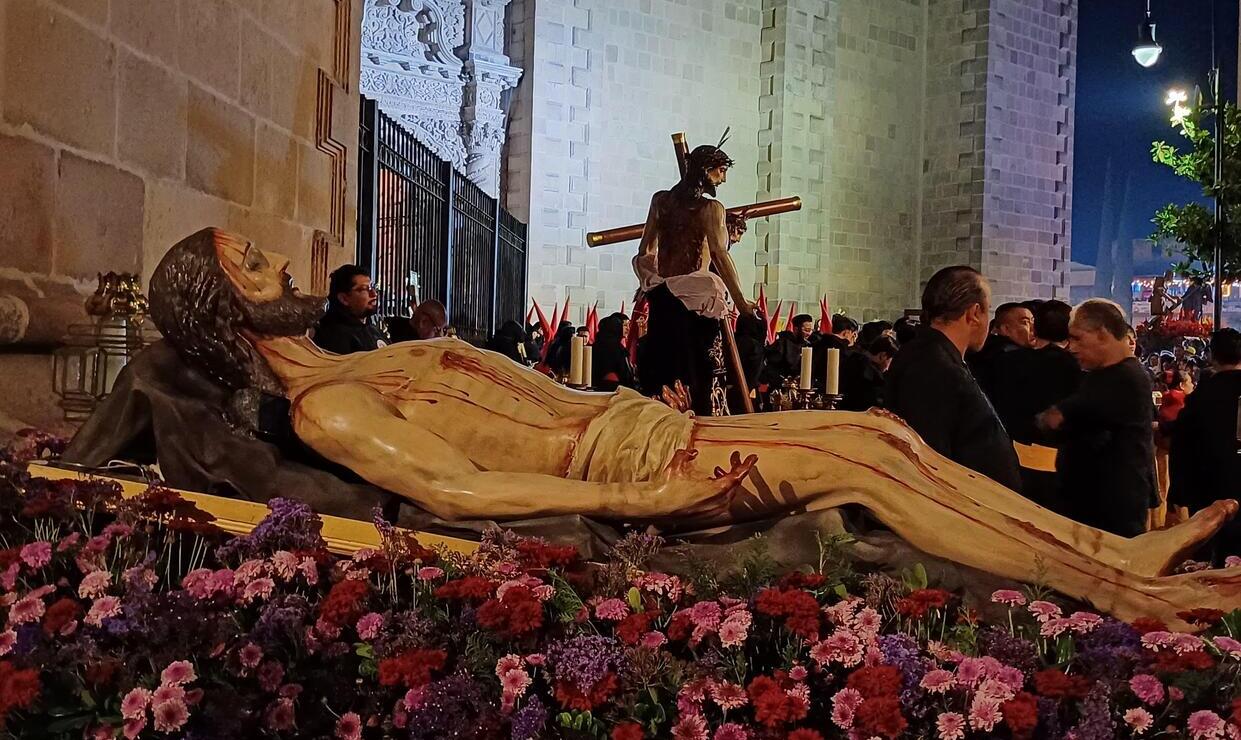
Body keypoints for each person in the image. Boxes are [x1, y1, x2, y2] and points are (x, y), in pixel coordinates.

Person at [141, 228, 1241, 627]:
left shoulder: (360, 355)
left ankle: (1111, 558)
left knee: (885, 446)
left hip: (629, 426)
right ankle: (1115, 579)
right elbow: (461, 495)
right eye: (246, 262)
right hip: (630, 461)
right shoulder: (333, 401)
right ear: (220, 304)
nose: (274, 262)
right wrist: (639, 499)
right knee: (872, 450)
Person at [633, 140, 753, 416]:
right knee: (702, 378)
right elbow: (720, 256)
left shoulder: (661, 201)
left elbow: (645, 251)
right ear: (706, 170)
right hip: (697, 307)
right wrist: (742, 304)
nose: (722, 179)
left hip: (663, 302)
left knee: (665, 374)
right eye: (720, 171)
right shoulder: (711, 209)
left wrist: (652, 283)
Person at [885, 265, 1023, 492]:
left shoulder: (930, 354)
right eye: (989, 311)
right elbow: (930, 458)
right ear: (974, 313)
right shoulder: (933, 365)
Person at [1037, 300, 1158, 537]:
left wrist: (1056, 418)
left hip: (1110, 511)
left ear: (1102, 334)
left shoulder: (1124, 378)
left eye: (1078, 338)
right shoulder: (1102, 376)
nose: (1071, 347)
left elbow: (1059, 419)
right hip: (1092, 506)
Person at [1169, 328, 1241, 563]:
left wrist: (1178, 492)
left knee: (1209, 556)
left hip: (1208, 488)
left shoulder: (1203, 395)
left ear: (1213, 356)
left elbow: (1182, 443)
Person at [312, 265, 387, 355]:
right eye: (364, 289)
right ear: (344, 299)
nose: (374, 294)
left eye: (372, 287)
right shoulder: (335, 337)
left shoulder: (372, 329)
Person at [968, 302, 1034, 398]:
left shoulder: (984, 350)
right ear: (1005, 329)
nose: (1033, 328)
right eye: (1025, 322)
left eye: (1033, 321)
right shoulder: (1013, 358)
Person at [838, 335, 898, 412]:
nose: (888, 368)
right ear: (883, 355)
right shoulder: (871, 375)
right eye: (890, 361)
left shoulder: (851, 359)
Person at [765, 313, 818, 386]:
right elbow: (771, 368)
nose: (809, 334)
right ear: (796, 329)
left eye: (810, 330)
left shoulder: (809, 345)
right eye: (806, 330)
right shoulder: (782, 344)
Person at [591, 313, 636, 392]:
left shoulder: (596, 345)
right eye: (625, 325)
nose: (628, 329)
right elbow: (626, 378)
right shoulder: (617, 349)